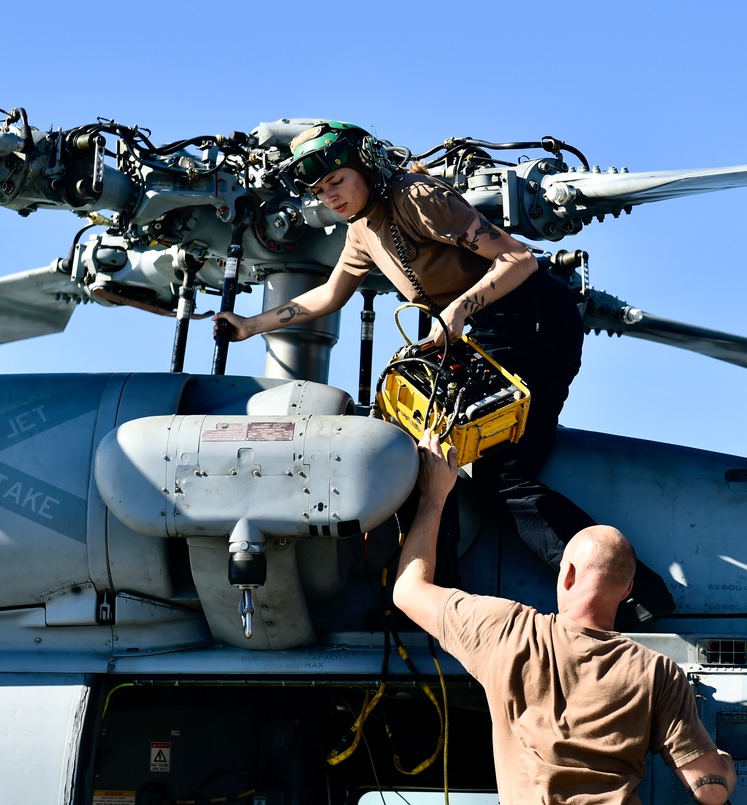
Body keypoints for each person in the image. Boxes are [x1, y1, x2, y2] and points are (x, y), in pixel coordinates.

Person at [213, 121, 673, 624]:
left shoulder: (418, 197)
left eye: (337, 182)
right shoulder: (361, 231)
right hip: (484, 332)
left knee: (503, 476)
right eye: (321, 191)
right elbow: (329, 295)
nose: (331, 197)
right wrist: (250, 325)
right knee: (411, 443)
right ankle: (431, 597)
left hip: (532, 323)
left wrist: (458, 310)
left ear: (364, 166)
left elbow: (519, 260)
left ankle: (632, 593)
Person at [392, 432, 737, 805]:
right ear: (626, 590)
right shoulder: (656, 673)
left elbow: (407, 590)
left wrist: (434, 495)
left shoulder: (507, 632)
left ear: (567, 573)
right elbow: (712, 791)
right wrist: (725, 765)